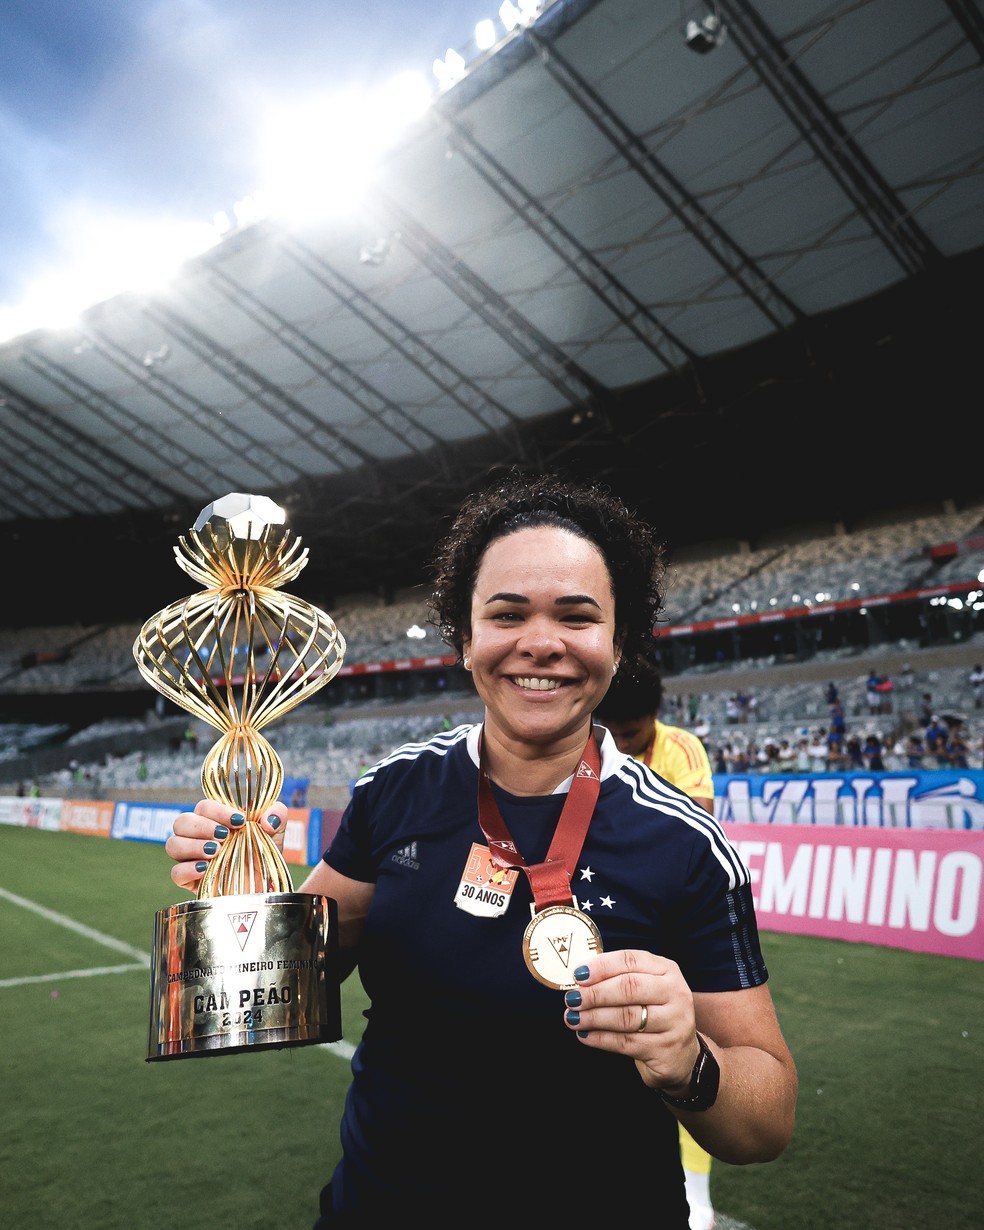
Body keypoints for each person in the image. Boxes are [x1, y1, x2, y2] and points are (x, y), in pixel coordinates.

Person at [164, 469, 797, 1228]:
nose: (540, 643)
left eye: (576, 616)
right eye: (506, 614)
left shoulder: (686, 841)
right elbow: (261, 1001)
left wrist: (691, 1062)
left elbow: (766, 1126)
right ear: (464, 639)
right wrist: (234, 900)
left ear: (618, 642)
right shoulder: (394, 792)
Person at [593, 655, 718, 1230]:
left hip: (671, 926)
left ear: (655, 720)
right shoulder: (583, 747)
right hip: (606, 921)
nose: (621, 743)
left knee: (689, 1058)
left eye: (633, 735)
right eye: (613, 733)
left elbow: (696, 839)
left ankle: (695, 1189)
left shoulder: (683, 752)